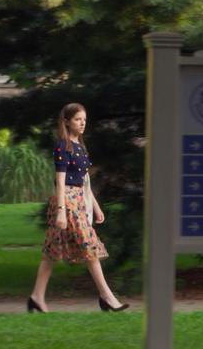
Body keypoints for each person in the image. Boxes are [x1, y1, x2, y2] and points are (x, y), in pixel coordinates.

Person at [28, 102, 129, 313]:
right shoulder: (62, 146)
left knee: (52, 252)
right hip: (66, 202)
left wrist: (96, 206)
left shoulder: (81, 147)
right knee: (88, 247)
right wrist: (62, 211)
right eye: (77, 119)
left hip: (80, 201)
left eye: (84, 120)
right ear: (66, 121)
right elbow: (61, 181)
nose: (82, 123)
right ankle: (107, 296)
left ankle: (37, 297)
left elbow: (84, 181)